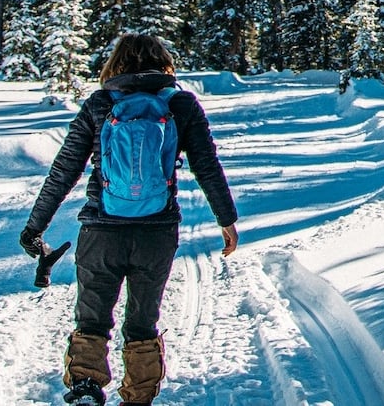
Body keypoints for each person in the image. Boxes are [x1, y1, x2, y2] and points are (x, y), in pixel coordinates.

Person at [20, 33, 239, 406]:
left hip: (101, 231)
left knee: (91, 319)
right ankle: (138, 397)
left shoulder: (101, 103)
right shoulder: (181, 104)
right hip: (156, 233)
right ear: (163, 63)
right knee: (142, 322)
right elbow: (207, 165)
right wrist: (226, 219)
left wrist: (35, 226)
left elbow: (64, 170)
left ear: (115, 66)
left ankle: (87, 388)